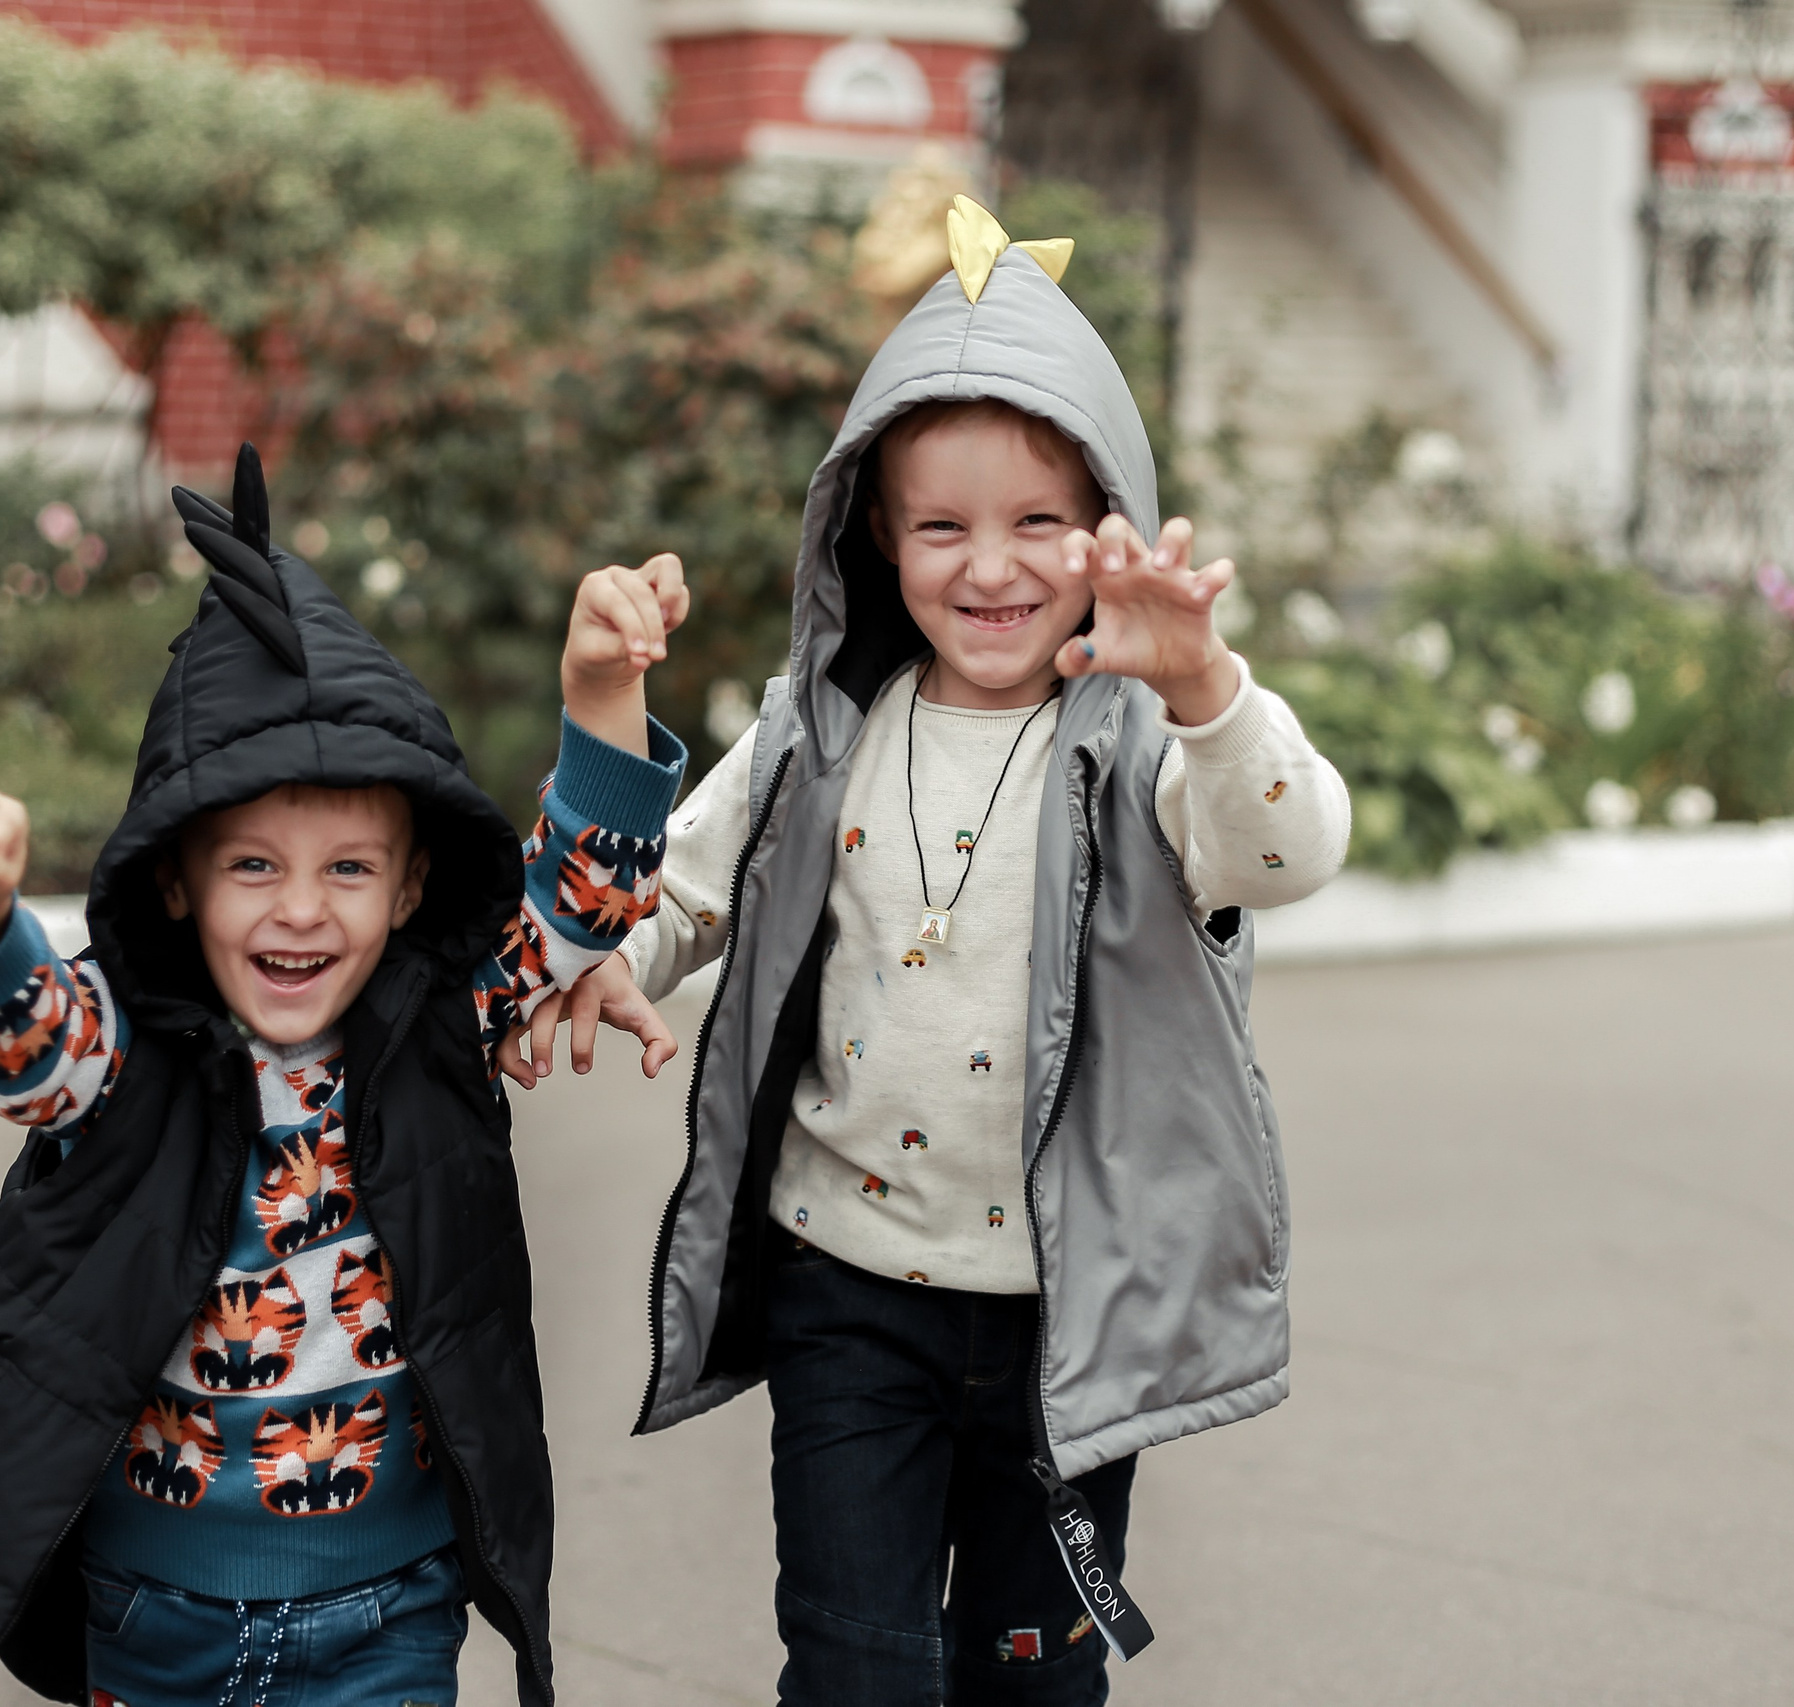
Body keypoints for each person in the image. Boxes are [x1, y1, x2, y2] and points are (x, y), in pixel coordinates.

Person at [503, 198, 1351, 1703]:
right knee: (851, 1664)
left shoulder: (1152, 744)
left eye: (1040, 522)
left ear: (1106, 528)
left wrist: (1211, 684)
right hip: (850, 1293)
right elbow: (678, 893)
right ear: (873, 532)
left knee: (1033, 1673)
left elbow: (1288, 851)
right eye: (941, 525)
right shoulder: (818, 727)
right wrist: (622, 942)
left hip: (1065, 1318)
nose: (990, 567)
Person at [0, 444, 687, 1707]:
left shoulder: (435, 1015)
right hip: (153, 1613)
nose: (301, 912)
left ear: (413, 883)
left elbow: (583, 899)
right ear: (174, 877)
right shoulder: (128, 1040)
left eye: (349, 871)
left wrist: (597, 690)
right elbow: (28, 1055)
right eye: (252, 866)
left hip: (387, 1611)